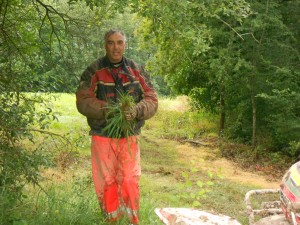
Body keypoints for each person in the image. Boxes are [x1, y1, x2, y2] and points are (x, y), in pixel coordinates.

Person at [76, 29, 158, 224]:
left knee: (129, 179)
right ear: (105, 45)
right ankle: (111, 220)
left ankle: (132, 220)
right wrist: (110, 110)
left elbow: (152, 99)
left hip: (130, 135)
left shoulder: (136, 70)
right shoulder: (93, 70)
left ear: (125, 45)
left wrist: (137, 110)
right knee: (107, 182)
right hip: (102, 135)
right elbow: (83, 100)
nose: (116, 47)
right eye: (111, 43)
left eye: (119, 42)